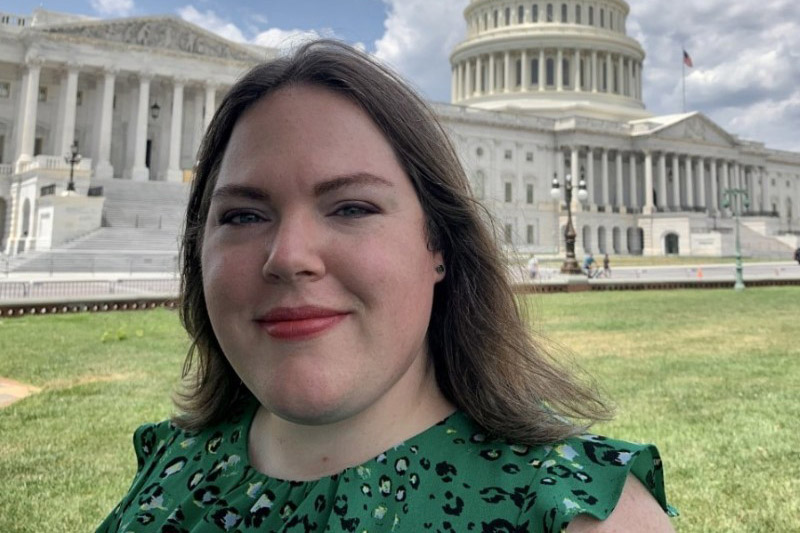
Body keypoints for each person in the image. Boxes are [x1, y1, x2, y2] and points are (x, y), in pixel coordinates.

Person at [98, 41, 675, 532]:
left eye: (351, 206)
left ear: (439, 245)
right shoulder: (169, 465)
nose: (290, 257)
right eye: (244, 215)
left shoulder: (585, 516)